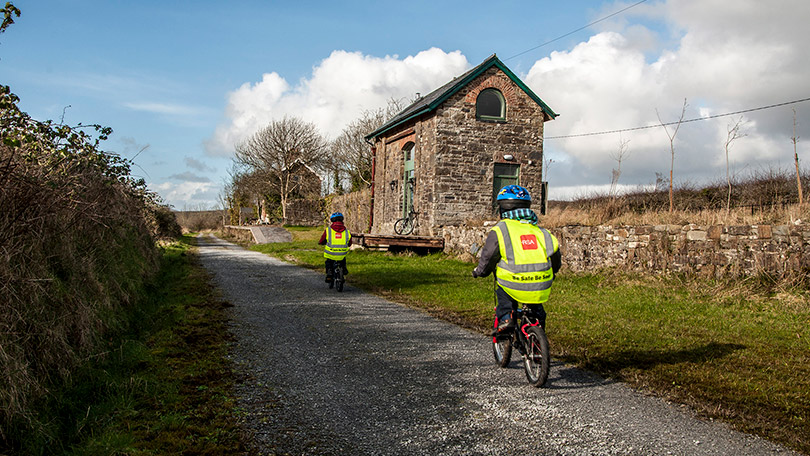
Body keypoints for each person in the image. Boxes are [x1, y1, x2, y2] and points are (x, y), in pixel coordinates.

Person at [472, 185, 561, 333]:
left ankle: (507, 317)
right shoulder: (542, 232)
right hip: (542, 284)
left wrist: (480, 271)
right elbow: (556, 257)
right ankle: (537, 337)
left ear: (501, 208)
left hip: (513, 283)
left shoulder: (501, 229)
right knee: (536, 310)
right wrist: (554, 272)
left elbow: (488, 257)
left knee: (503, 291)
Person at [318, 212, 352, 283]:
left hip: (331, 252)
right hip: (342, 252)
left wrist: (320, 243)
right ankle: (344, 269)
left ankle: (329, 272)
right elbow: (349, 243)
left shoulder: (328, 230)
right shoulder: (346, 231)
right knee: (342, 259)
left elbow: (322, 239)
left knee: (328, 261)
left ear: (332, 220)